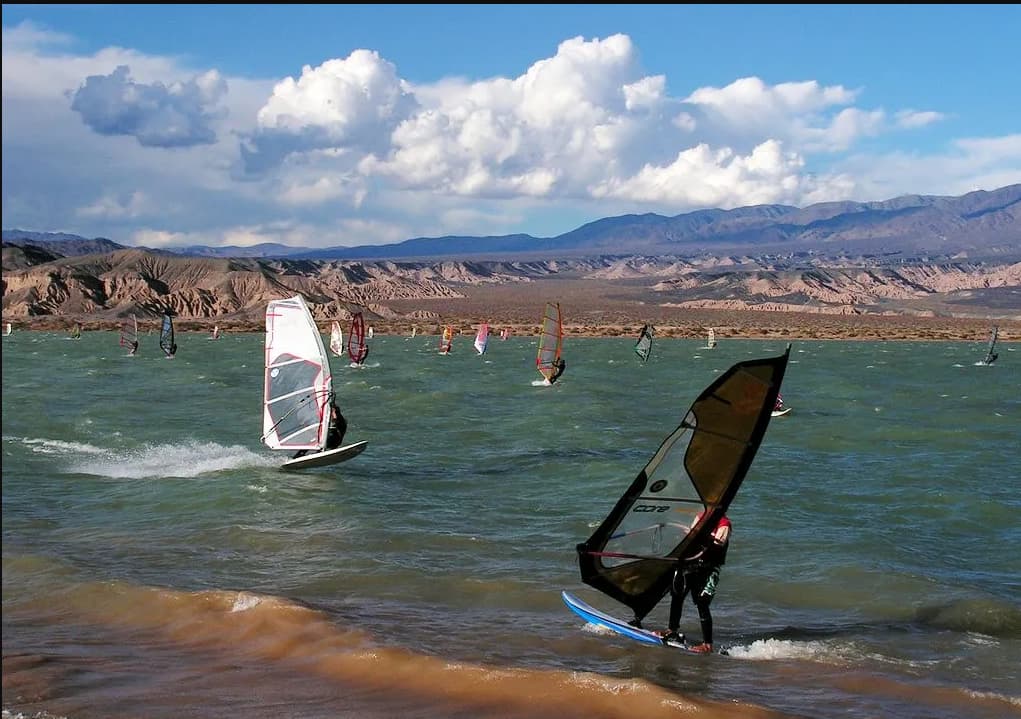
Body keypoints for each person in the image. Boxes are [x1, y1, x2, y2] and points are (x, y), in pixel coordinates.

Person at [657, 510, 732, 654]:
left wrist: (702, 536)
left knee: (702, 603)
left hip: (709, 569)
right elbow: (691, 537)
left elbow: (718, 545)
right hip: (692, 565)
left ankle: (707, 644)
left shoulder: (724, 524)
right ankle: (672, 630)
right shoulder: (700, 516)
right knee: (677, 594)